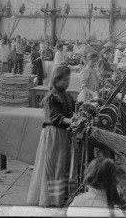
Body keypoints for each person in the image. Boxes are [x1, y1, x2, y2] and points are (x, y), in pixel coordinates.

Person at [27, 66, 75, 207]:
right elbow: (55, 117)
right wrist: (71, 121)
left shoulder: (66, 95)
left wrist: (75, 117)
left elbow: (70, 111)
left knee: (61, 164)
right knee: (54, 165)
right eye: (64, 80)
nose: (67, 82)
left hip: (62, 134)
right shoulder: (52, 96)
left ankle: (61, 196)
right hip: (54, 133)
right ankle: (50, 199)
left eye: (68, 80)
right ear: (56, 80)